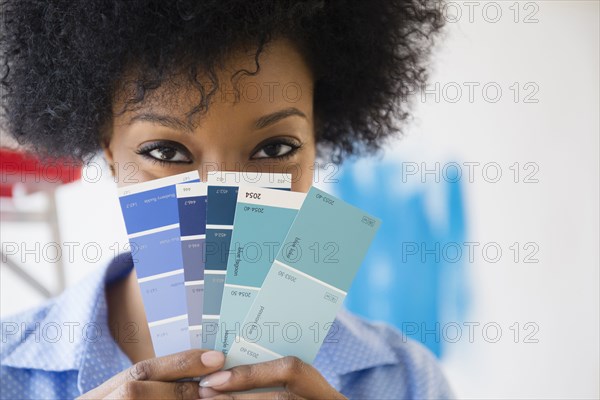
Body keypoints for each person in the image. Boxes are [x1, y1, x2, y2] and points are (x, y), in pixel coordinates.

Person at [0, 1, 453, 398]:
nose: (225, 197)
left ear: (318, 143)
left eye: (275, 149)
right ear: (110, 154)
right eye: (166, 153)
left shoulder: (405, 381)